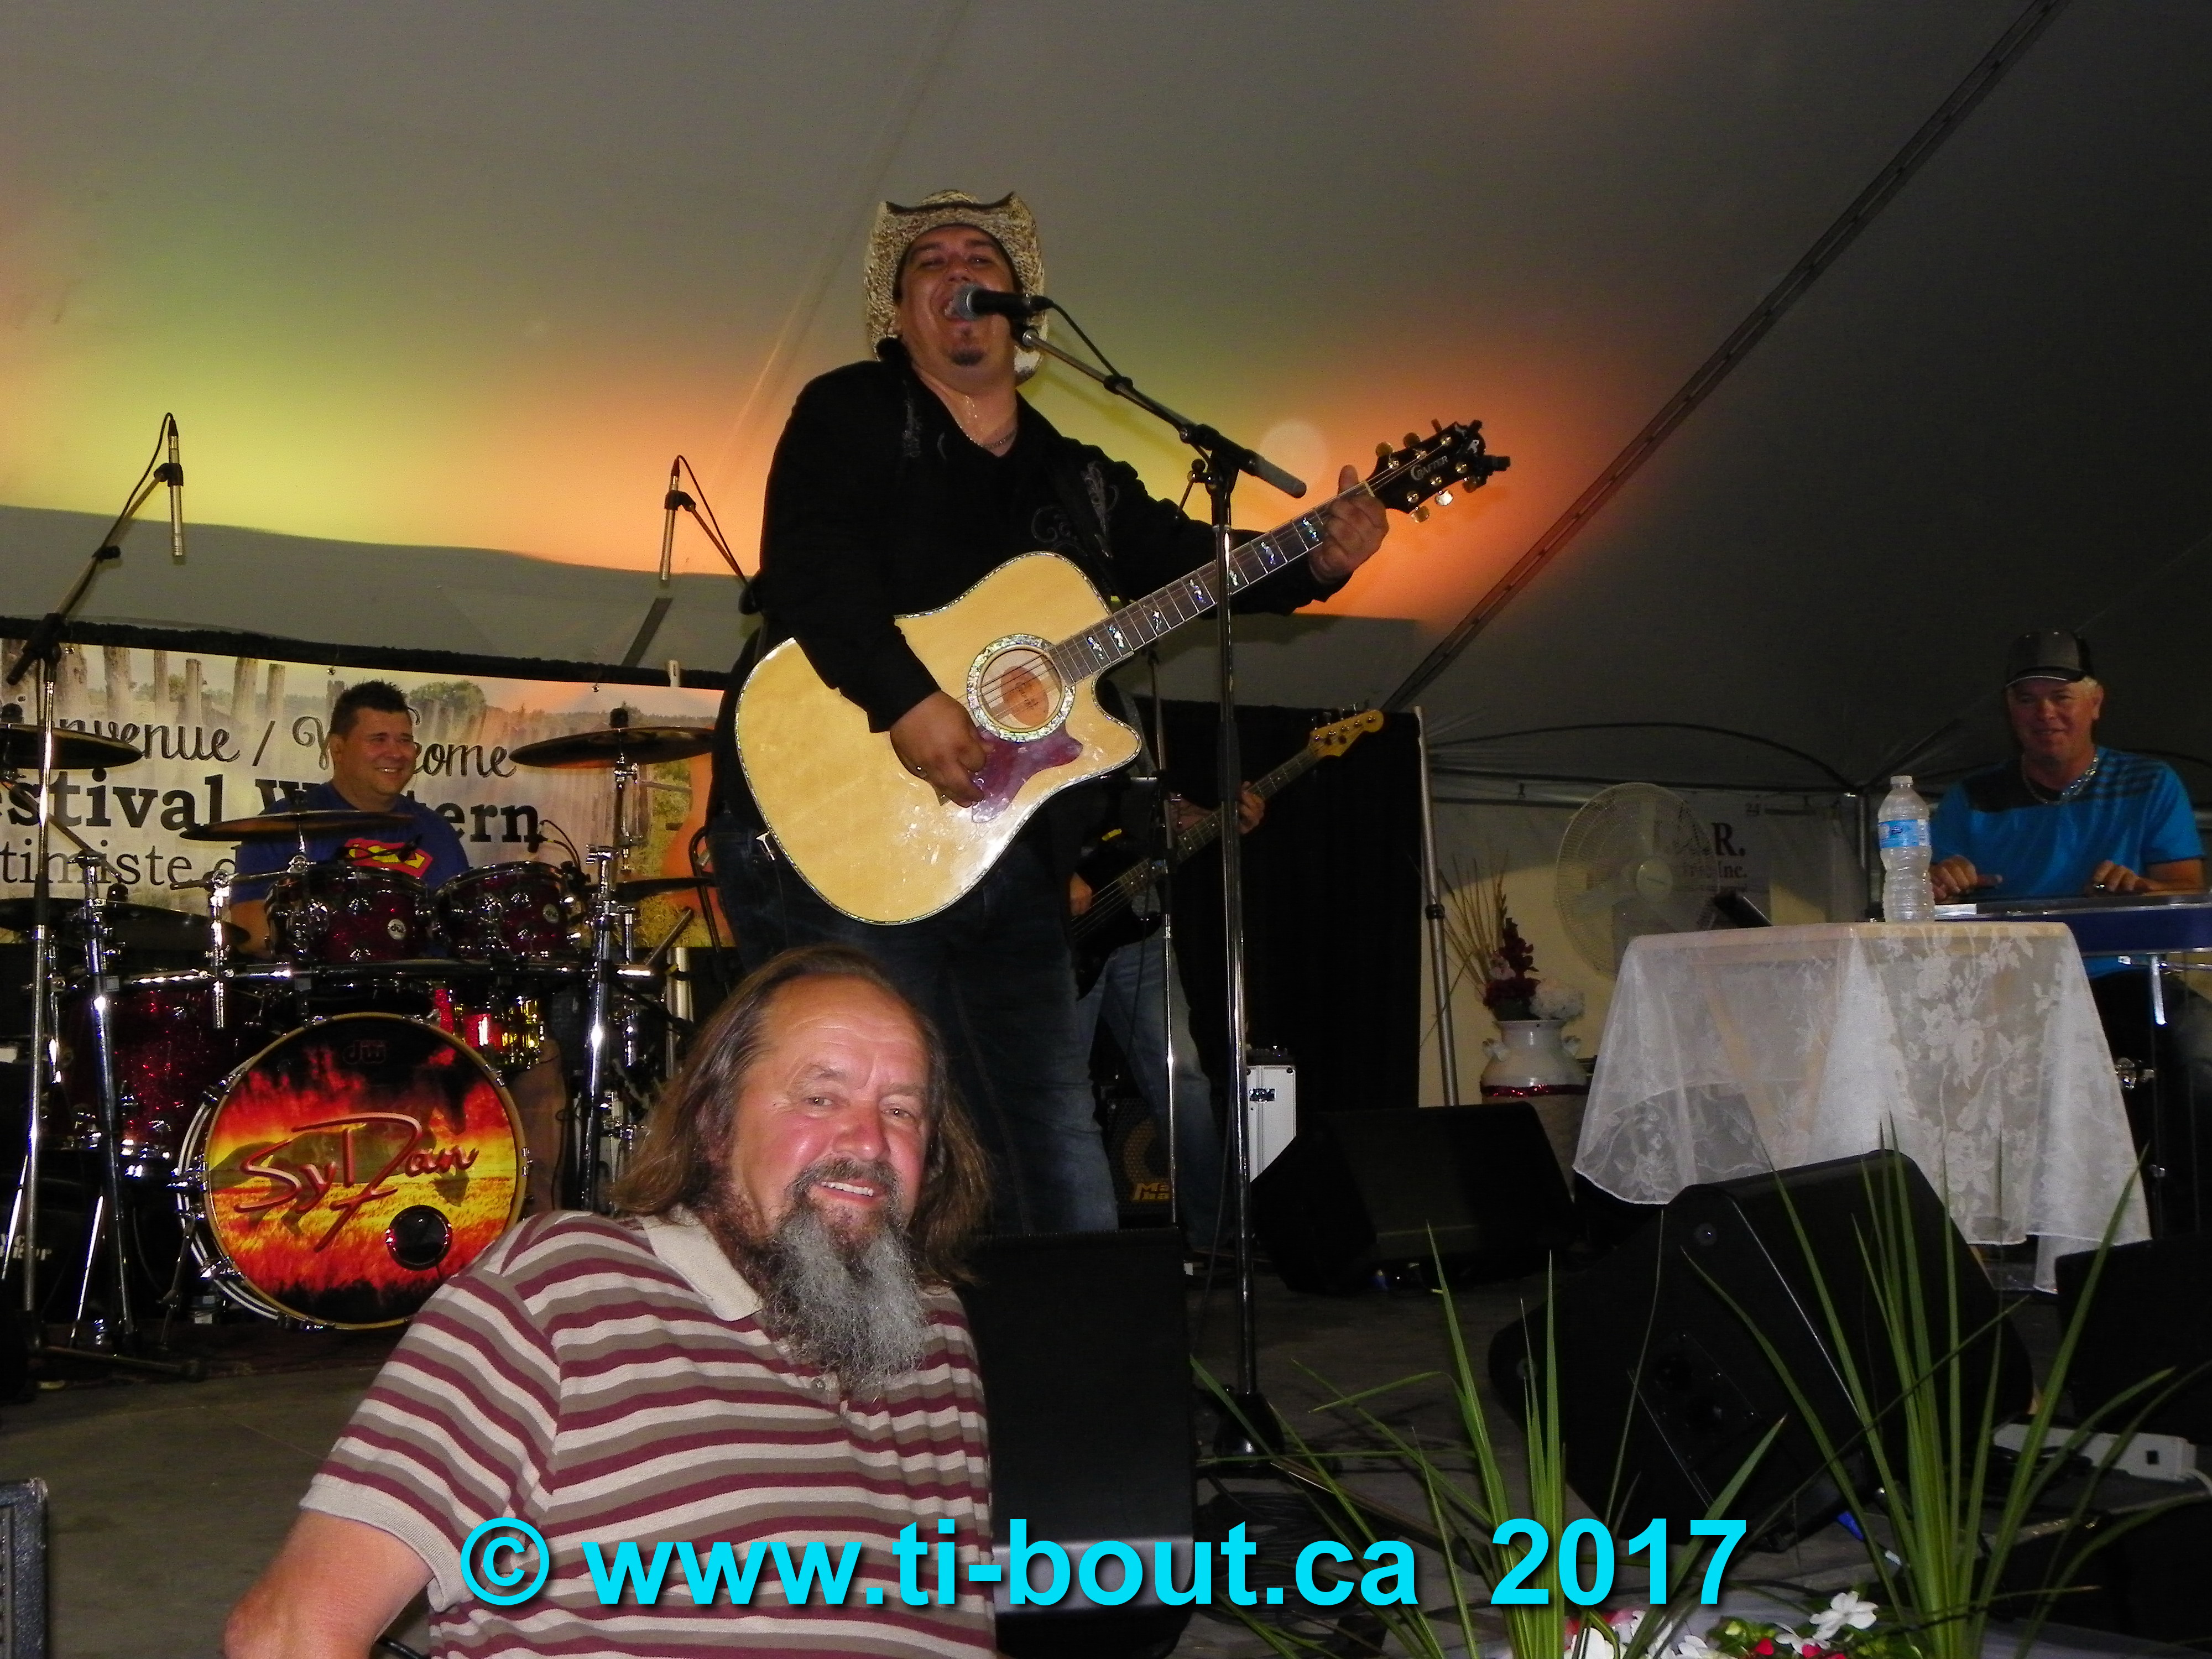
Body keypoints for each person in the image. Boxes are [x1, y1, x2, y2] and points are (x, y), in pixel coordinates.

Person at [708, 190, 1390, 1234]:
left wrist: (1317, 560)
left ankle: (1066, 1332)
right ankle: (859, 1331)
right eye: (931, 262)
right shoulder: (852, 411)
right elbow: (810, 566)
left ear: (1021, 310)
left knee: (1047, 1132)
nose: (958, 271)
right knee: (865, 1114)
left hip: (1011, 850)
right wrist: (906, 699)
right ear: (898, 314)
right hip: (845, 825)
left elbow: (1198, 564)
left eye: (979, 259)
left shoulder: (1079, 480)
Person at [224, 944, 996, 1659]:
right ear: (715, 1125)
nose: (868, 1142)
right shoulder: (561, 1284)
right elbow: (292, 1632)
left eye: (902, 1110)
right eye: (821, 1098)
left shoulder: (931, 1333)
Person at [232, 679, 567, 1212]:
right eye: (379, 739)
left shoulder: (431, 830)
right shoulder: (284, 825)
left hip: (426, 1010)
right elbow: (248, 927)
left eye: (405, 740)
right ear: (336, 747)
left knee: (537, 1054)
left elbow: (458, 930)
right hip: (326, 1012)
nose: (396, 752)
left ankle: (533, 1219)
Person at [1929, 629, 2210, 1225]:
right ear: (2009, 711)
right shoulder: (1969, 797)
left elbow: (2185, 889)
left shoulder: (2149, 781)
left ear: (2095, 702)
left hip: (2122, 979)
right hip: (2008, 991)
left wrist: (2138, 887)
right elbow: (1927, 895)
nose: (2045, 714)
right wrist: (1940, 880)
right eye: (2027, 700)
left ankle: (2186, 1228)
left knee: (2198, 1048)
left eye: (2060, 697)